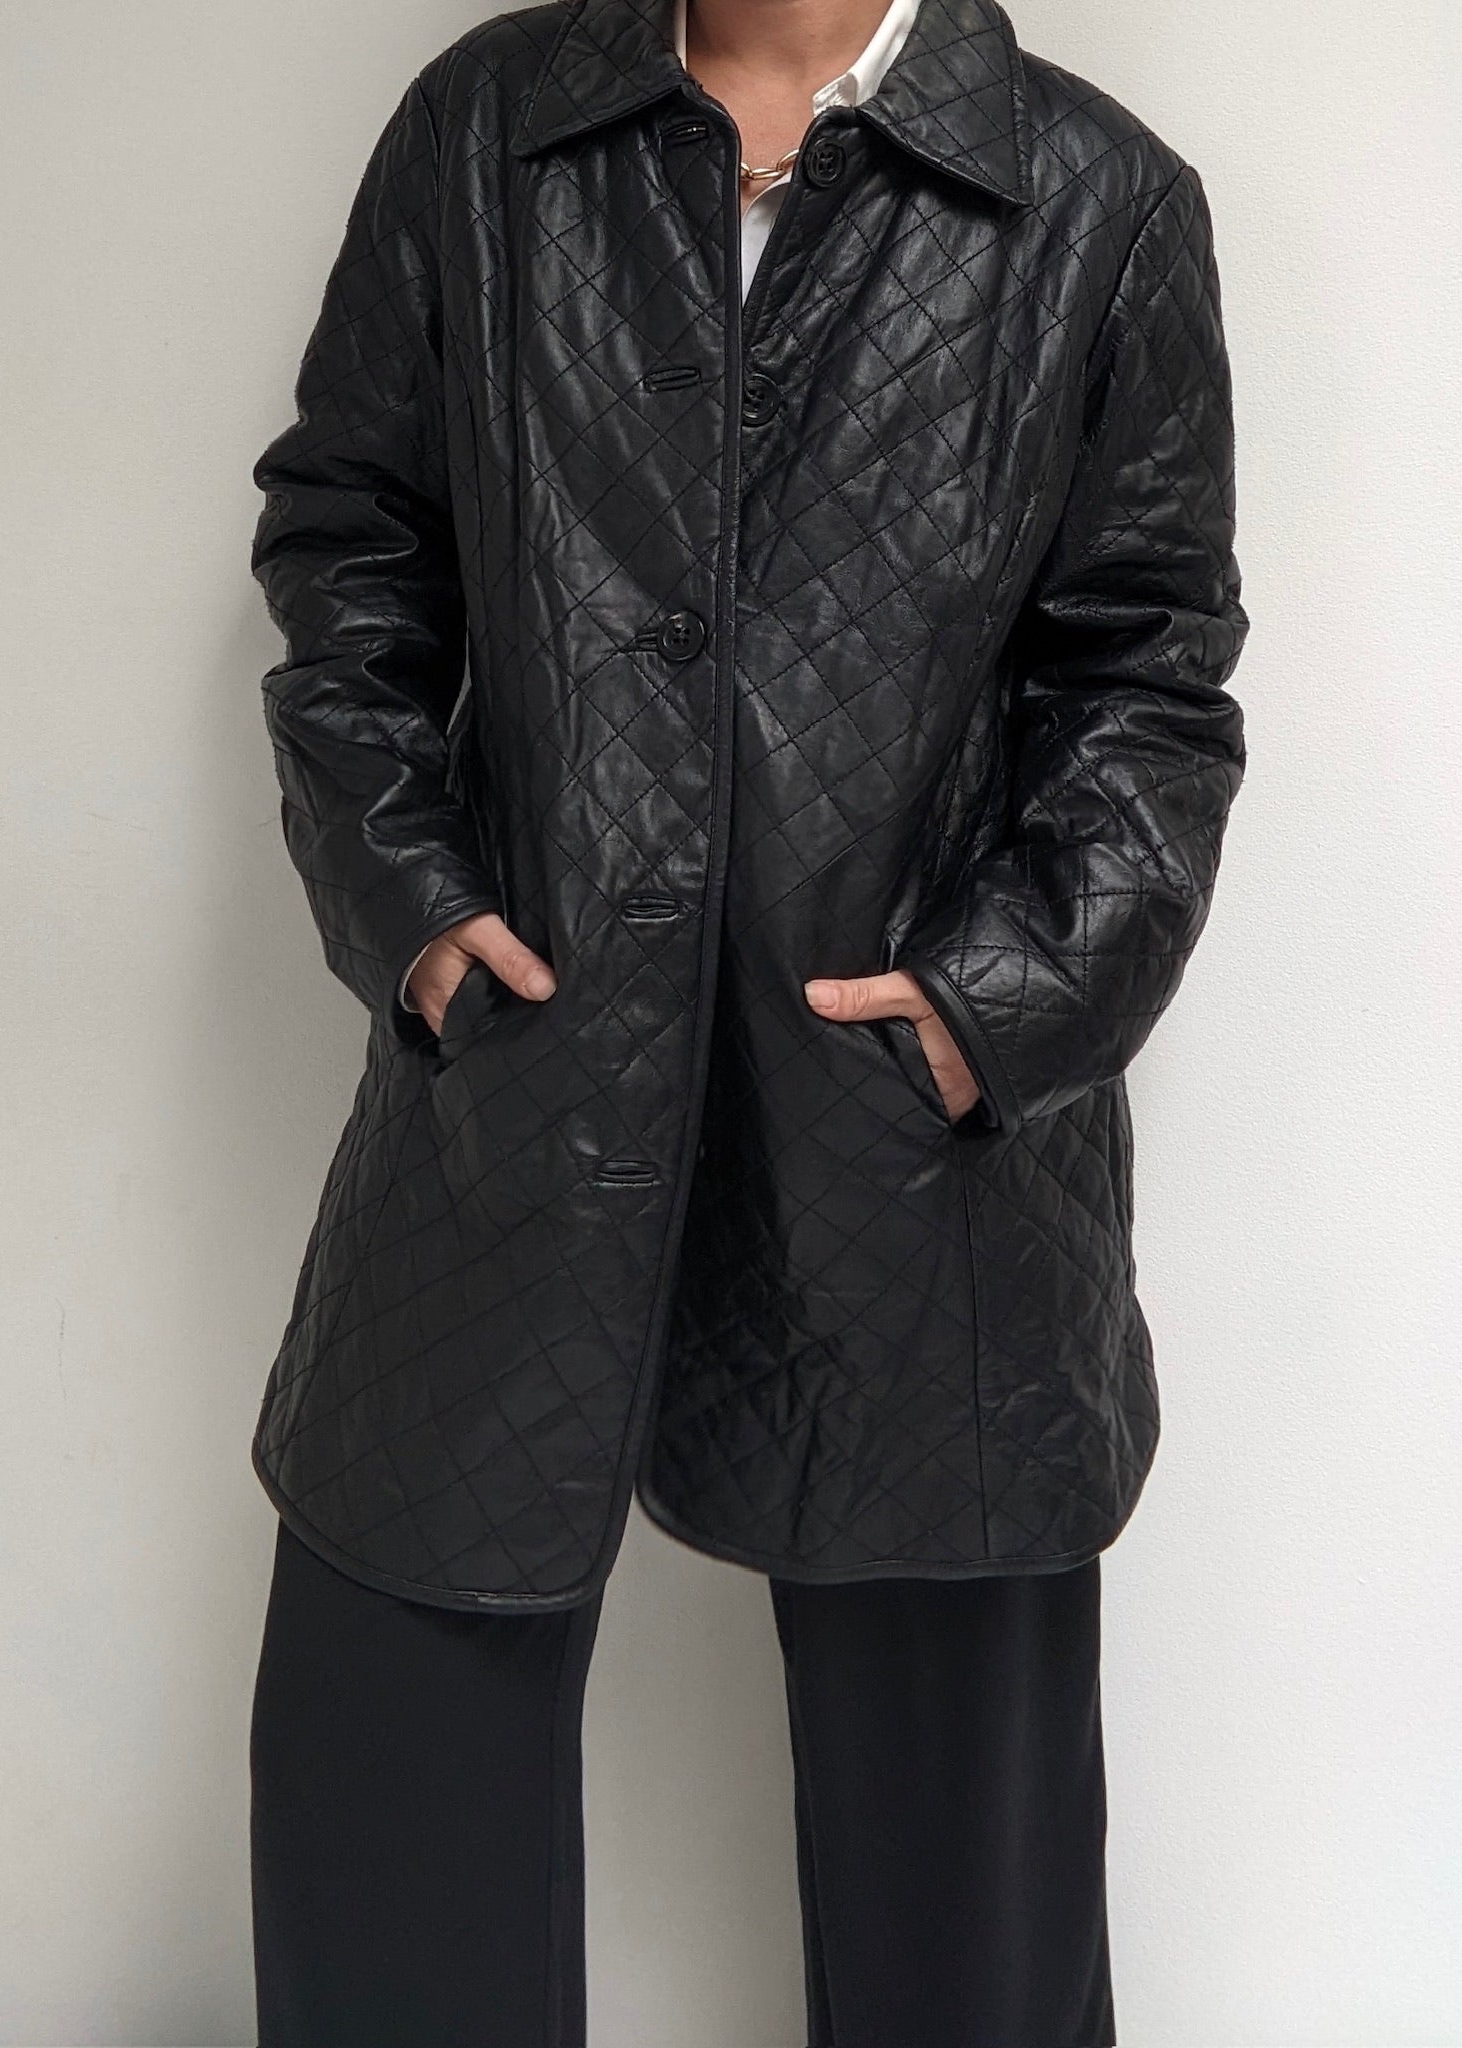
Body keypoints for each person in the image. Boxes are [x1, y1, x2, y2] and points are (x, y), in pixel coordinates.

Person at [245, 0, 1248, 2039]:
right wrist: (412, 903)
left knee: (963, 1892)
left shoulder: (1097, 199)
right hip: (521, 1082)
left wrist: (998, 1004)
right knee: (393, 1767)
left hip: (921, 1140)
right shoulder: (487, 132)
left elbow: (1147, 682)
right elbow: (349, 547)